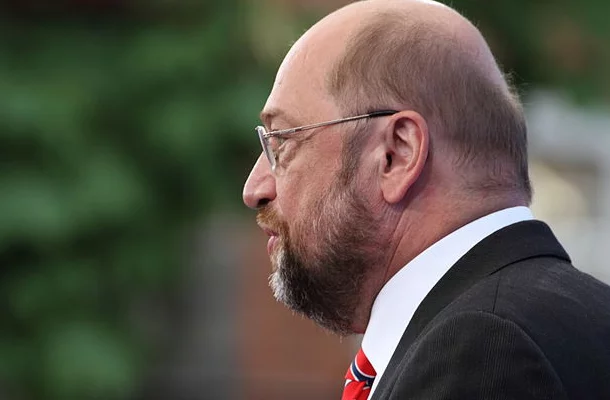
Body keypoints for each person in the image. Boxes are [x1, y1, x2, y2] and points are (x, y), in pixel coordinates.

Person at [242, 0, 610, 398]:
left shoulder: (482, 352)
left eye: (282, 141)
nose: (255, 188)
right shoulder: (568, 318)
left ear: (397, 154)